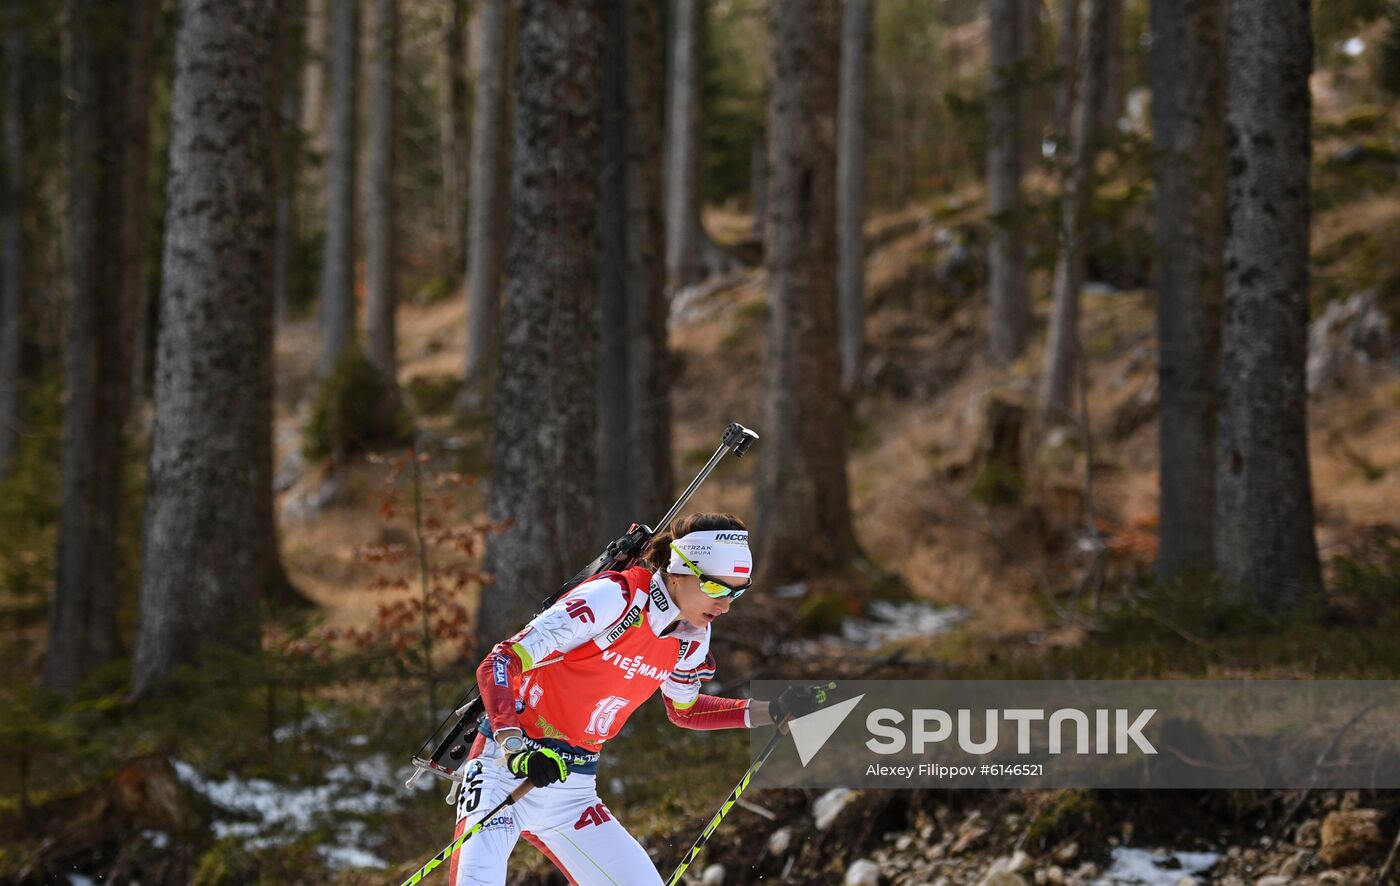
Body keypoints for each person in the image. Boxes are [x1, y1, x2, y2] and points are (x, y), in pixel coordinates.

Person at [448, 513, 829, 885]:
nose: (725, 604)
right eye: (716, 587)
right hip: (506, 770)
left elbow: (686, 710)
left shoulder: (691, 638)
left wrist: (770, 712)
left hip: (574, 790)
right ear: (678, 573)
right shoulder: (613, 598)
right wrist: (513, 746)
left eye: (737, 591)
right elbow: (500, 660)